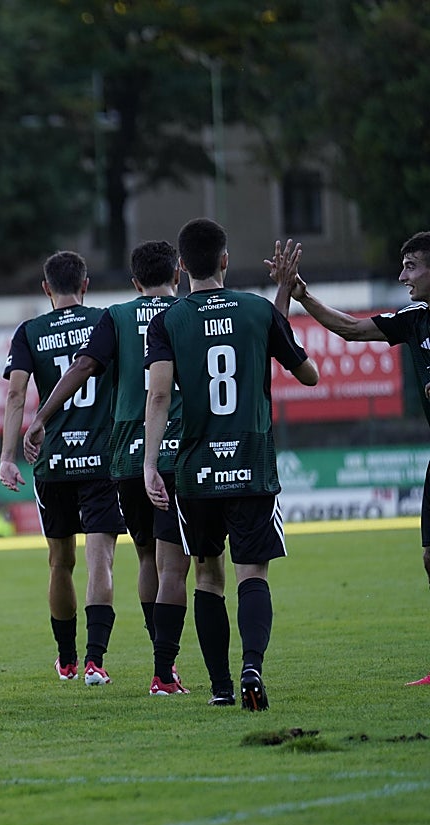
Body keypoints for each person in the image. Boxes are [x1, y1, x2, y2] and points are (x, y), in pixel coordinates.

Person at [23, 241, 232, 702]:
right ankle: (163, 670)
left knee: (144, 558)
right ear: (177, 275)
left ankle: (156, 664)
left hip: (123, 459)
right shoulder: (188, 314)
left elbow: (83, 366)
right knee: (173, 562)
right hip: (176, 453)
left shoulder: (114, 317)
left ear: (134, 282)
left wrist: (41, 417)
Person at [143, 218, 318, 712]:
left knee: (207, 575)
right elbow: (307, 373)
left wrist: (151, 465)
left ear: (181, 267)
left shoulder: (168, 320)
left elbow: (158, 395)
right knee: (253, 575)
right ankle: (252, 667)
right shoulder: (257, 310)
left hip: (195, 467)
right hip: (252, 461)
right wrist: (282, 299)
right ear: (225, 259)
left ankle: (220, 686)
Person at [274, 232, 430, 687]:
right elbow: (352, 329)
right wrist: (305, 297)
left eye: (412, 267)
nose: (403, 276)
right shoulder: (417, 317)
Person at [0, 250, 123, 686]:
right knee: (101, 559)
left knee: (60, 562)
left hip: (52, 461)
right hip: (103, 456)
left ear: (46, 288)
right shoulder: (107, 321)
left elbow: (16, 397)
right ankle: (95, 661)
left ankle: (67, 659)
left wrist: (7, 456)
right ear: (85, 285)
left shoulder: (30, 331)